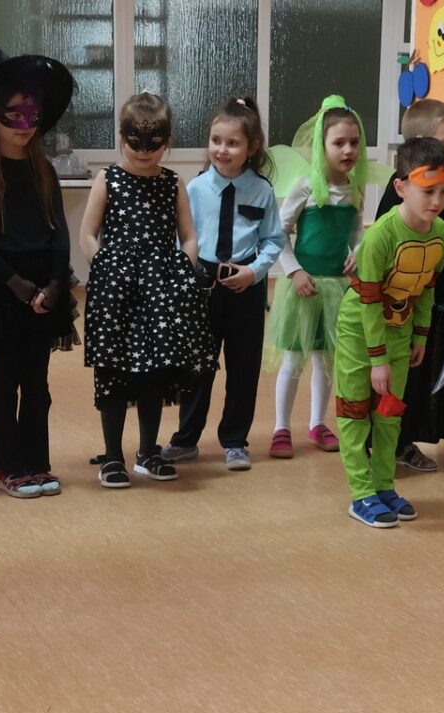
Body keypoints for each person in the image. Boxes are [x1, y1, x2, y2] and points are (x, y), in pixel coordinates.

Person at [0, 27, 76, 499]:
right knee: (4, 381)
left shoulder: (43, 169)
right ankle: (9, 464)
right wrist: (19, 287)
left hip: (44, 288)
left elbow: (59, 232)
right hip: (2, 291)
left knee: (37, 383)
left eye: (32, 115)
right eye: (14, 115)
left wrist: (54, 286)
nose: (25, 125)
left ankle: (37, 462)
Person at [79, 91, 209, 488]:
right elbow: (87, 233)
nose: (144, 151)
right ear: (122, 136)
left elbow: (189, 235)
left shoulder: (172, 183)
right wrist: (104, 266)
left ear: (167, 140)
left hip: (160, 296)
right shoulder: (108, 178)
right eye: (135, 141)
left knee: (154, 371)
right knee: (114, 372)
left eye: (154, 143)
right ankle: (112, 457)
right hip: (116, 296)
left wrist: (182, 270)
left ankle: (148, 452)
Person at [162, 95, 283, 471]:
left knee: (243, 368)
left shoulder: (261, 190)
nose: (222, 150)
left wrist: (255, 271)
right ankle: (186, 438)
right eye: (216, 141)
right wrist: (183, 278)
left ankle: (234, 441)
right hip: (204, 287)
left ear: (252, 147)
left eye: (232, 143)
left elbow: (274, 240)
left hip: (245, 287)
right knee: (197, 367)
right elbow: (182, 236)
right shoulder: (195, 188)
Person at [336, 136, 444, 528]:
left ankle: (384, 484)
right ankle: (361, 493)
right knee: (355, 411)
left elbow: (428, 288)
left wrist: (420, 336)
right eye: (427, 191)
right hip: (360, 333)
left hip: (401, 333)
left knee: (389, 415)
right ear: (401, 187)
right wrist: (377, 360)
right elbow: (369, 299)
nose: (436, 201)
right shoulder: (381, 235)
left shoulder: (442, 234)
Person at [374, 98, 444, 468]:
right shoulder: (398, 195)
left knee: (429, 374)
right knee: (402, 378)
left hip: (436, 304)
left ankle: (429, 437)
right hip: (400, 308)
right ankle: (391, 443)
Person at [267, 94, 369, 458]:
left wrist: (357, 252)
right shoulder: (305, 187)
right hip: (303, 288)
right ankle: (281, 427)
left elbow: (355, 231)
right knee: (294, 360)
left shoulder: (355, 190)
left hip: (337, 288)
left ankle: (317, 423)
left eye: (354, 142)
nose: (348, 150)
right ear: (321, 145)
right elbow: (279, 233)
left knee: (326, 361)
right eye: (339, 143)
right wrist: (294, 271)